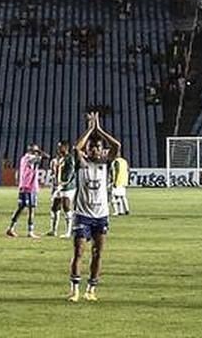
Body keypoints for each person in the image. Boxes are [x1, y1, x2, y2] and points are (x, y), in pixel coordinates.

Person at [68, 112, 121, 302]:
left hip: (101, 215)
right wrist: (90, 129)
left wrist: (100, 130)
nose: (94, 150)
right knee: (79, 252)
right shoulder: (82, 164)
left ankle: (91, 289)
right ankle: (74, 289)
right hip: (82, 215)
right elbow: (76, 148)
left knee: (98, 253)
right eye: (91, 147)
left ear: (102, 150)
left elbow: (117, 146)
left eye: (97, 147)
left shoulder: (106, 164)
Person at [6, 143, 43, 238]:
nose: (36, 152)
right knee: (31, 209)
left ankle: (11, 228)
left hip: (25, 186)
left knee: (21, 207)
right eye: (35, 150)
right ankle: (30, 231)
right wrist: (39, 152)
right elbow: (46, 156)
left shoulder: (24, 158)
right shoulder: (30, 158)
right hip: (29, 186)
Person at [47, 140, 77, 237]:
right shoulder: (60, 159)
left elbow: (71, 172)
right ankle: (53, 230)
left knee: (66, 207)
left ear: (66, 147)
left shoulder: (70, 158)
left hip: (67, 187)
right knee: (54, 207)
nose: (58, 149)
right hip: (59, 186)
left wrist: (64, 182)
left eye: (60, 147)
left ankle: (69, 232)